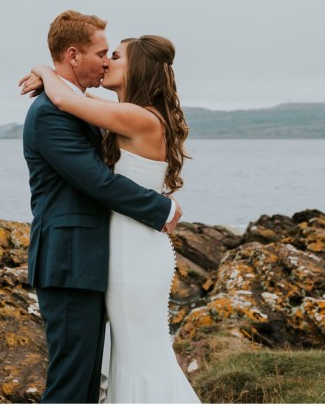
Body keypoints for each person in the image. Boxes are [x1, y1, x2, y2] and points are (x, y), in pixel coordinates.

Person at [20, 32, 200, 403]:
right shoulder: (129, 114)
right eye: (104, 54)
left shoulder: (135, 116)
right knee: (130, 353)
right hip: (121, 249)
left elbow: (65, 98)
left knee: (139, 352)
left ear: (136, 69)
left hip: (134, 253)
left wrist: (44, 70)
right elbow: (71, 99)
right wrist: (48, 71)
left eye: (114, 56)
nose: (106, 62)